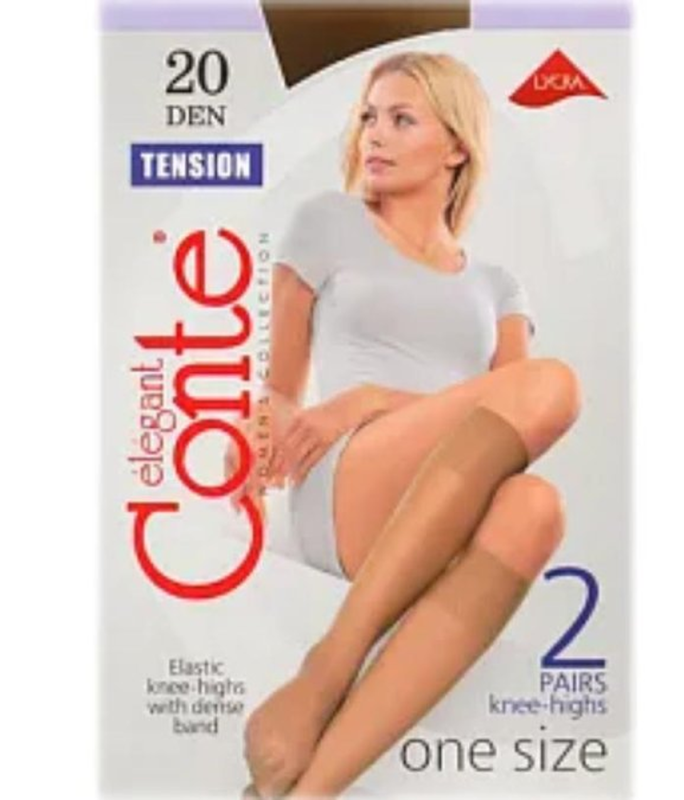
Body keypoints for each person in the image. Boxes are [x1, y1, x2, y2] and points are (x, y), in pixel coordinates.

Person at [229, 51, 582, 797]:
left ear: (456, 144)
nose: (373, 135)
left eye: (401, 119)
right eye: (368, 118)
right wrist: (259, 440)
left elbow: (511, 422)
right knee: (552, 383)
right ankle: (329, 667)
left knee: (535, 504)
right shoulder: (327, 222)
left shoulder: (497, 286)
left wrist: (375, 397)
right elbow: (280, 392)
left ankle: (307, 790)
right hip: (350, 478)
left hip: (447, 494)